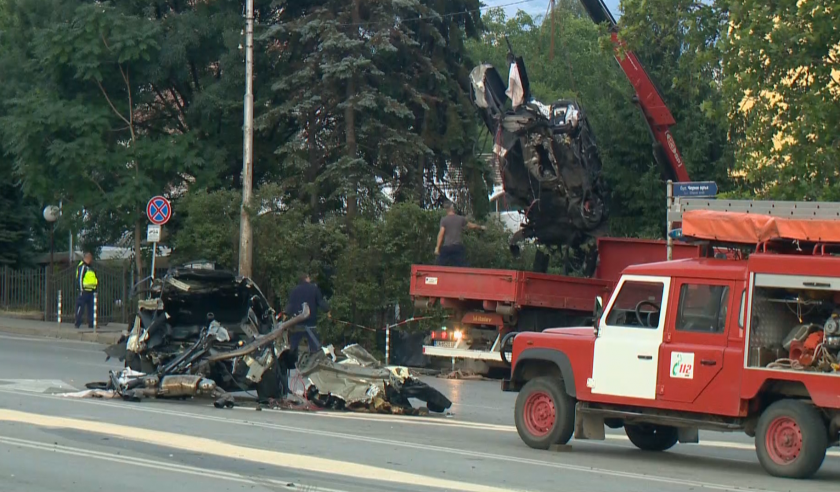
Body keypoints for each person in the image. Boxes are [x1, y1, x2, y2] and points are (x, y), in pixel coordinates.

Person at [284, 273, 331, 354]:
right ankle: (314, 359)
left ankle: (291, 360)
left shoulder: (294, 290)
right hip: (311, 322)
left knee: (293, 345)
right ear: (307, 279)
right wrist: (328, 311)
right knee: (314, 346)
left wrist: (285, 315)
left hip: (297, 322)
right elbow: (320, 302)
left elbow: (290, 305)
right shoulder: (314, 289)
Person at [435, 202, 486, 267]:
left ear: (446, 210)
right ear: (452, 208)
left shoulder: (444, 220)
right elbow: (471, 225)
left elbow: (441, 234)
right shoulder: (460, 219)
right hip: (457, 247)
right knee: (461, 266)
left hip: (447, 247)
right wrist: (480, 227)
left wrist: (437, 247)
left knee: (440, 266)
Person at [74, 252, 98, 329]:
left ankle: (91, 323)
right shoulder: (82, 266)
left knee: (91, 308)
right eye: (90, 258)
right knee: (81, 307)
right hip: (84, 291)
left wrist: (95, 289)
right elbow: (80, 279)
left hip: (91, 291)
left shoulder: (90, 267)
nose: (91, 260)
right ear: (87, 258)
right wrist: (81, 290)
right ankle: (77, 322)